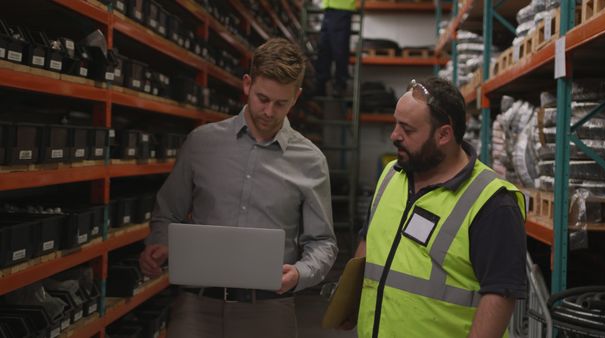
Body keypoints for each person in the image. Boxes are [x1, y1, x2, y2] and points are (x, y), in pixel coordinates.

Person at [139, 38, 338, 338]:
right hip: (196, 306)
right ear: (247, 84)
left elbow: (323, 242)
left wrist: (299, 274)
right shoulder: (201, 143)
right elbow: (167, 212)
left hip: (269, 311)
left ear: (296, 97)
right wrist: (158, 244)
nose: (269, 111)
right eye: (262, 98)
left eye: (281, 103)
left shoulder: (310, 161)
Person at [351, 77, 527, 337]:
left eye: (407, 130)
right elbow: (370, 237)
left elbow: (499, 295)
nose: (394, 135)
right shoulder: (391, 174)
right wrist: (349, 300)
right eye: (395, 124)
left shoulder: (492, 202)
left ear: (444, 134)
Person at [314, 0, 356, 97]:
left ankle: (340, 84)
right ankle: (321, 84)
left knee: (339, 49)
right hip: (329, 8)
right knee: (324, 49)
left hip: (341, 9)